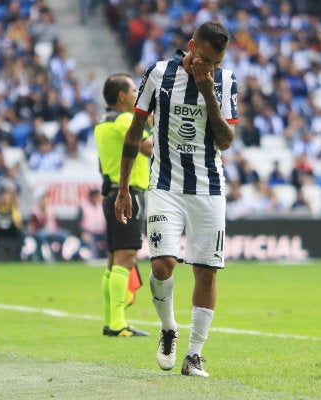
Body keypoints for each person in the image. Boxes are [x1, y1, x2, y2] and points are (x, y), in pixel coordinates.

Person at [115, 22, 238, 377]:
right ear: (190, 46)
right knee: (162, 264)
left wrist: (207, 91)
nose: (208, 68)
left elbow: (226, 140)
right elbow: (136, 128)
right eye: (203, 60)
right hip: (165, 184)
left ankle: (194, 355)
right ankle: (168, 327)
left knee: (207, 271)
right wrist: (124, 189)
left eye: (214, 63)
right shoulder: (157, 73)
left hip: (209, 187)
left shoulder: (225, 82)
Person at [94, 73, 153, 337]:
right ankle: (118, 323)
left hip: (110, 193)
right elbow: (149, 148)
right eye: (132, 91)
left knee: (113, 259)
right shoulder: (126, 120)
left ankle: (111, 320)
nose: (136, 95)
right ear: (121, 96)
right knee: (126, 258)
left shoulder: (102, 122)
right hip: (128, 194)